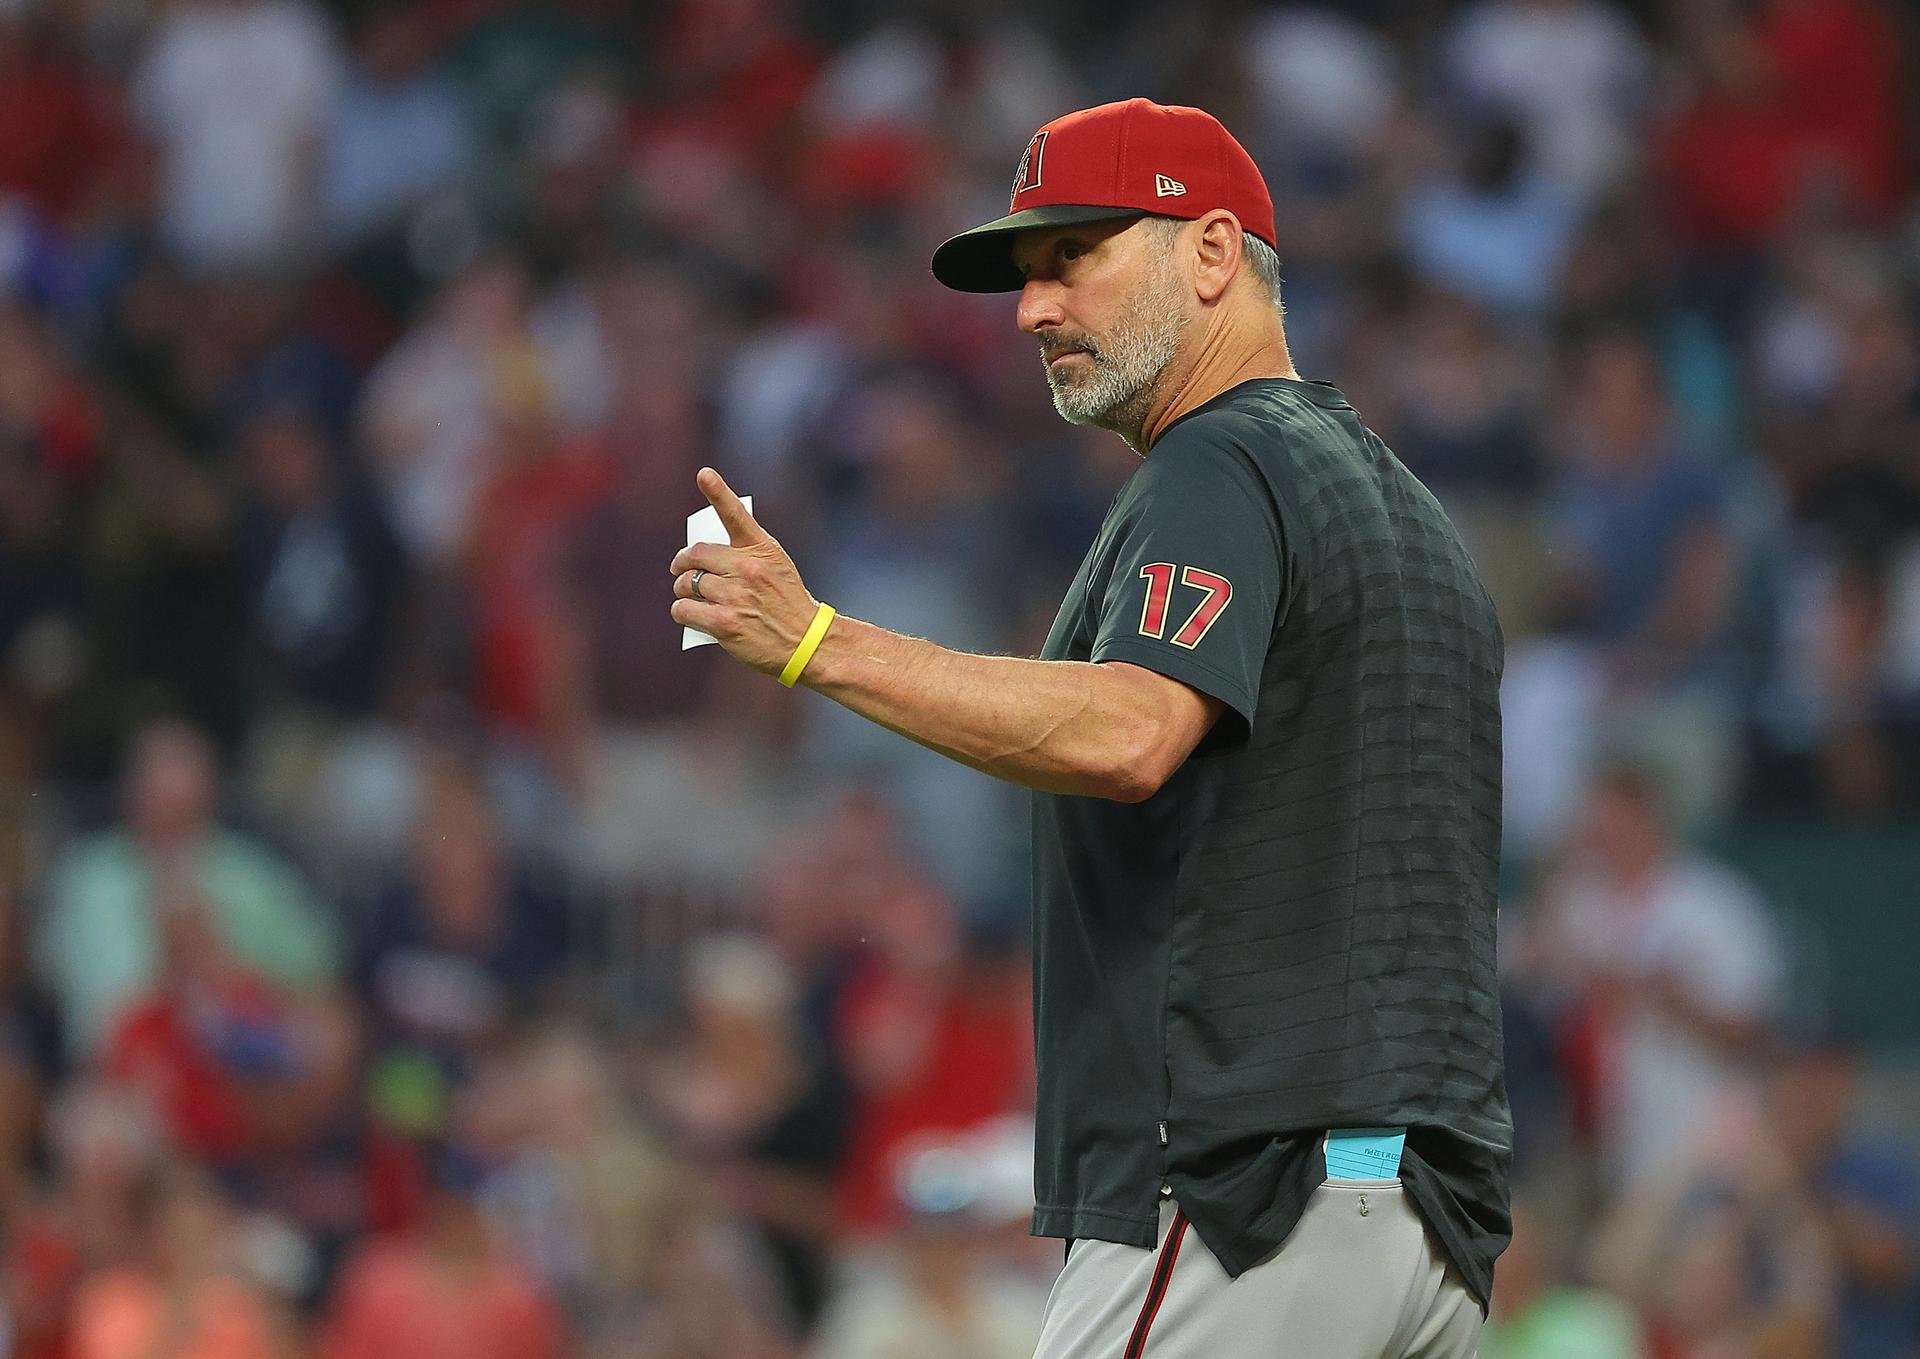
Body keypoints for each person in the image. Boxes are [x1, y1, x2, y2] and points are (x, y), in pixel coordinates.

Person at [668, 98, 1509, 1357]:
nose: (1035, 308)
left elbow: (1131, 732)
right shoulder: (1408, 514)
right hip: (1420, 1213)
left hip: (1244, 1201)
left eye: (1078, 254)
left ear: (1215, 253)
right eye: (1026, 273)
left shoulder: (1218, 467)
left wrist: (815, 638)